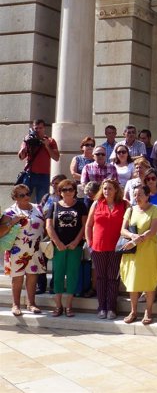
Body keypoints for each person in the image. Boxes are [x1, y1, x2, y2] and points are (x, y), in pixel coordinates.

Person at [119, 183, 157, 325]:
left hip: (148, 251)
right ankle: (133, 311)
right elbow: (123, 230)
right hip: (133, 251)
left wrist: (137, 240)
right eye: (135, 194)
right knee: (133, 281)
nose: (136, 197)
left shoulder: (155, 210)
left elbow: (152, 231)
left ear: (147, 195)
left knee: (149, 282)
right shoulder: (130, 210)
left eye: (139, 194)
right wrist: (133, 237)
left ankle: (148, 311)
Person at [85, 179, 128, 319]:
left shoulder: (124, 204)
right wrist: (90, 243)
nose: (106, 191)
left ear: (116, 190)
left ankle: (111, 308)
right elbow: (88, 225)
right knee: (101, 277)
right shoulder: (96, 204)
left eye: (110, 188)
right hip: (98, 247)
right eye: (104, 189)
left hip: (116, 247)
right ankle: (101, 307)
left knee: (113, 278)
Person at [45, 179, 87, 317]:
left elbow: (84, 226)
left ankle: (68, 306)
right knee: (57, 275)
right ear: (60, 192)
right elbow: (49, 226)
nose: (68, 192)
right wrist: (57, 243)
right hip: (59, 247)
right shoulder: (54, 205)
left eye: (70, 189)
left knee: (72, 274)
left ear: (75, 191)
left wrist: (76, 241)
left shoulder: (81, 206)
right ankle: (58, 306)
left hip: (75, 246)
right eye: (64, 190)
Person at [3, 184, 47, 316]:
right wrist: (12, 222)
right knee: (17, 278)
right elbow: (1, 232)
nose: (26, 197)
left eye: (27, 194)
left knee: (33, 277)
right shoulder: (9, 212)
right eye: (22, 195)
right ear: (15, 197)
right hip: (17, 249)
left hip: (35, 248)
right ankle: (15, 305)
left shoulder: (38, 208)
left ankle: (31, 303)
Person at [17, 119, 60, 201]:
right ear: (33, 128)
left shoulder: (50, 141)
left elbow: (56, 158)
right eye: (36, 128)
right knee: (22, 198)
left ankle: (39, 214)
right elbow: (21, 157)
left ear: (44, 128)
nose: (38, 130)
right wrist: (25, 144)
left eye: (40, 128)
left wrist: (47, 146)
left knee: (42, 200)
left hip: (44, 175)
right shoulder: (29, 140)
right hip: (30, 173)